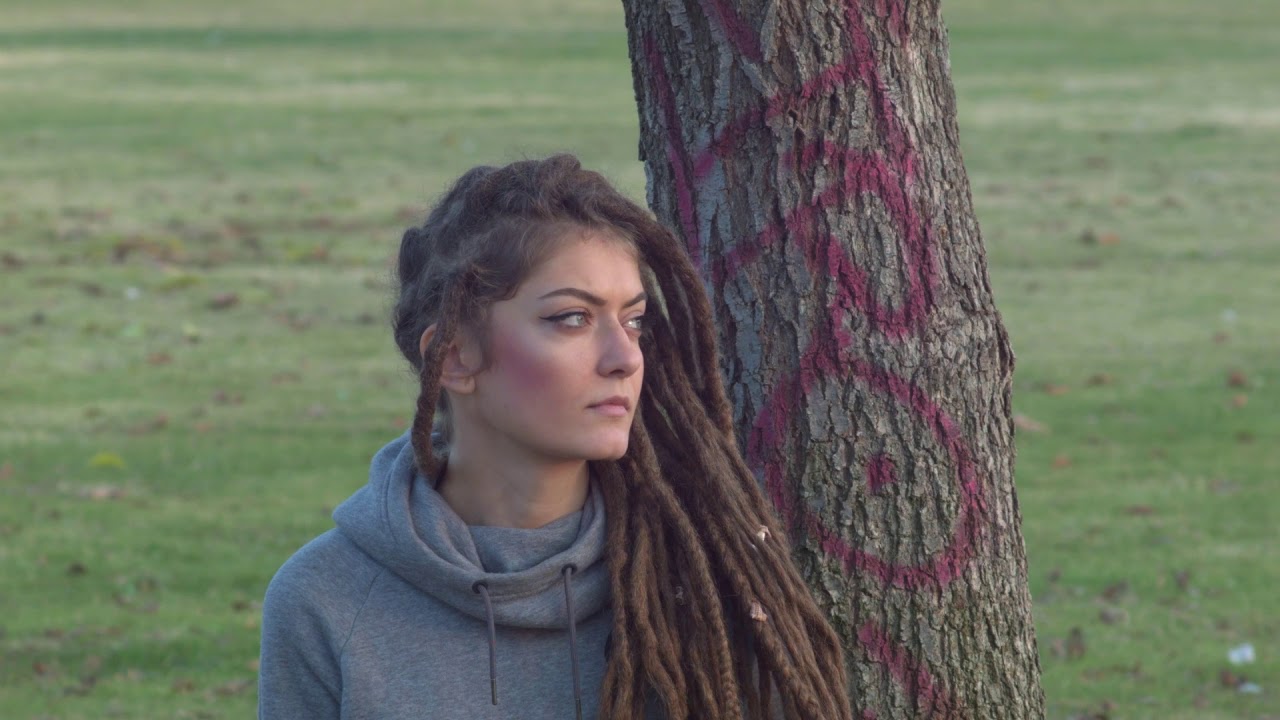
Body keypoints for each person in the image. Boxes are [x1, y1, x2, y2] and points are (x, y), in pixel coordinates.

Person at [257, 155, 853, 719]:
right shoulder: (325, 600)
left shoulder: (700, 583)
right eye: (573, 318)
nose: (625, 357)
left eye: (634, 320)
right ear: (455, 358)